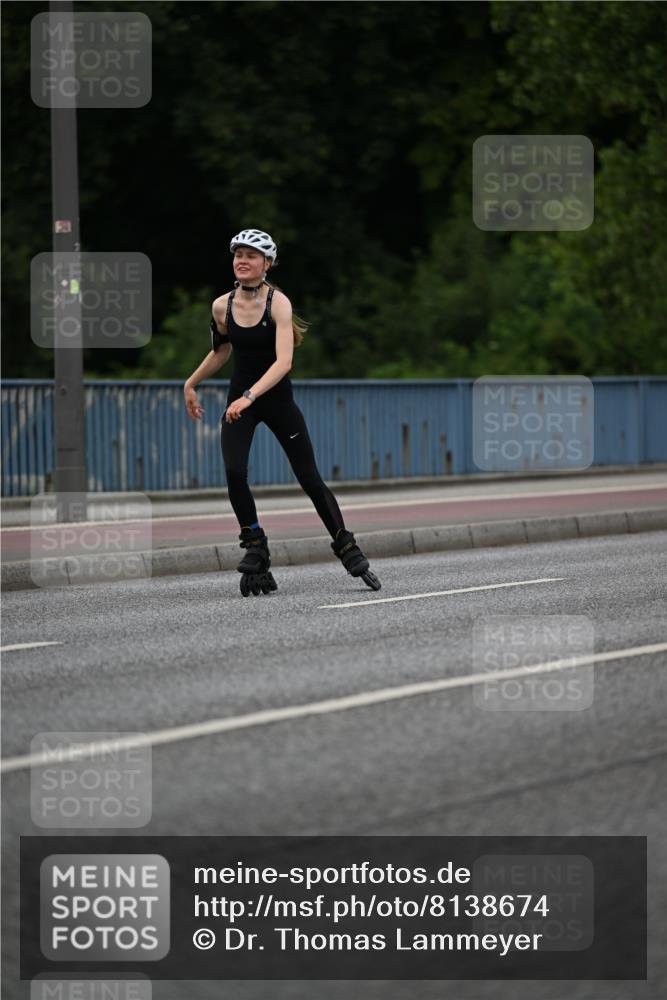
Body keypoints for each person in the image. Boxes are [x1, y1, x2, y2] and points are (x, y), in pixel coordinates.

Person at [184, 228, 381, 596]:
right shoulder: (221, 305)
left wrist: (249, 396)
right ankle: (255, 544)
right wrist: (190, 383)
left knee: (309, 477)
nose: (243, 261)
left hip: (274, 401)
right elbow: (221, 351)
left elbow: (283, 362)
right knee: (234, 470)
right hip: (241, 401)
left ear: (267, 264)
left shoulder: (278, 304)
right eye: (238, 254)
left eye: (252, 256)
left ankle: (347, 546)